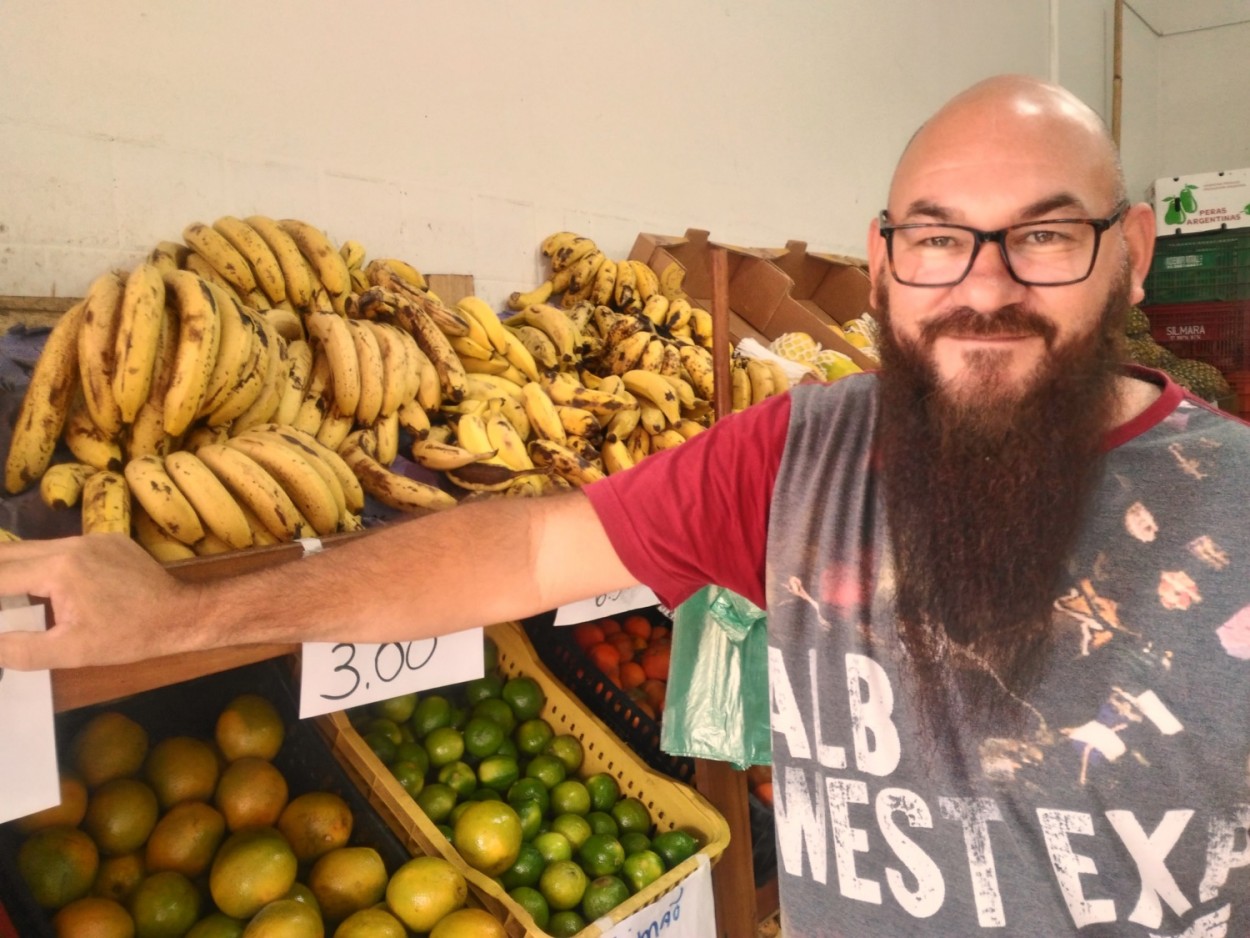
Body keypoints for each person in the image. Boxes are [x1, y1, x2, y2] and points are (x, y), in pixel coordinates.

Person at [2, 74, 1248, 935]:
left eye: (1043, 237)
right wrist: (169, 613)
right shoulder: (796, 457)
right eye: (935, 239)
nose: (982, 287)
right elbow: (527, 543)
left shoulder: (1231, 513)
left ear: (1132, 250)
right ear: (878, 261)